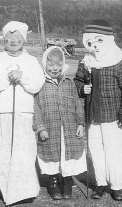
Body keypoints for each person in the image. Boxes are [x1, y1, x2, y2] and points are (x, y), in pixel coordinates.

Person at [0, 21, 45, 206]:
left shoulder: (31, 61)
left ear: (23, 40)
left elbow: (36, 85)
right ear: (4, 40)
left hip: (23, 114)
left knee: (24, 153)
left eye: (18, 38)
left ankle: (26, 192)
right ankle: (10, 193)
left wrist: (22, 76)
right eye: (9, 38)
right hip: (2, 113)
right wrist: (7, 77)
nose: (13, 41)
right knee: (3, 153)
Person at [74, 19, 122, 201]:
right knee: (95, 149)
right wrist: (81, 88)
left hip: (113, 116)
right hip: (92, 116)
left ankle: (116, 186)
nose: (95, 46)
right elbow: (77, 81)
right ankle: (100, 184)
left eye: (99, 41)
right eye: (91, 42)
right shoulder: (86, 61)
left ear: (108, 39)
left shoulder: (118, 60)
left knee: (114, 150)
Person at [33, 46, 86, 200]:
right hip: (50, 128)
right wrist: (40, 128)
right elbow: (36, 108)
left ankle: (67, 182)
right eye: (51, 65)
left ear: (63, 65)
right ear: (44, 64)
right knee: (52, 155)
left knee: (68, 154)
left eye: (58, 65)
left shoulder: (69, 84)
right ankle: (54, 183)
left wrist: (81, 124)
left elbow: (77, 105)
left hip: (68, 129)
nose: (54, 69)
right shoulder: (40, 84)